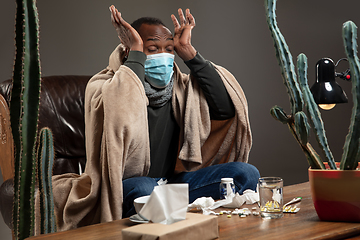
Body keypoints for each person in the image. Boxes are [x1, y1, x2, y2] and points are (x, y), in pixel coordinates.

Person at [51, 6, 259, 231]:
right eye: (152, 48)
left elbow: (226, 109)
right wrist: (136, 53)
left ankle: (176, 214)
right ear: (131, 51)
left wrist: (188, 52)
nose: (163, 55)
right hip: (125, 188)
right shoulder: (105, 87)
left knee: (246, 173)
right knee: (144, 189)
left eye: (168, 49)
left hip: (173, 185)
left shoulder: (181, 89)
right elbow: (122, 111)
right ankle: (178, 214)